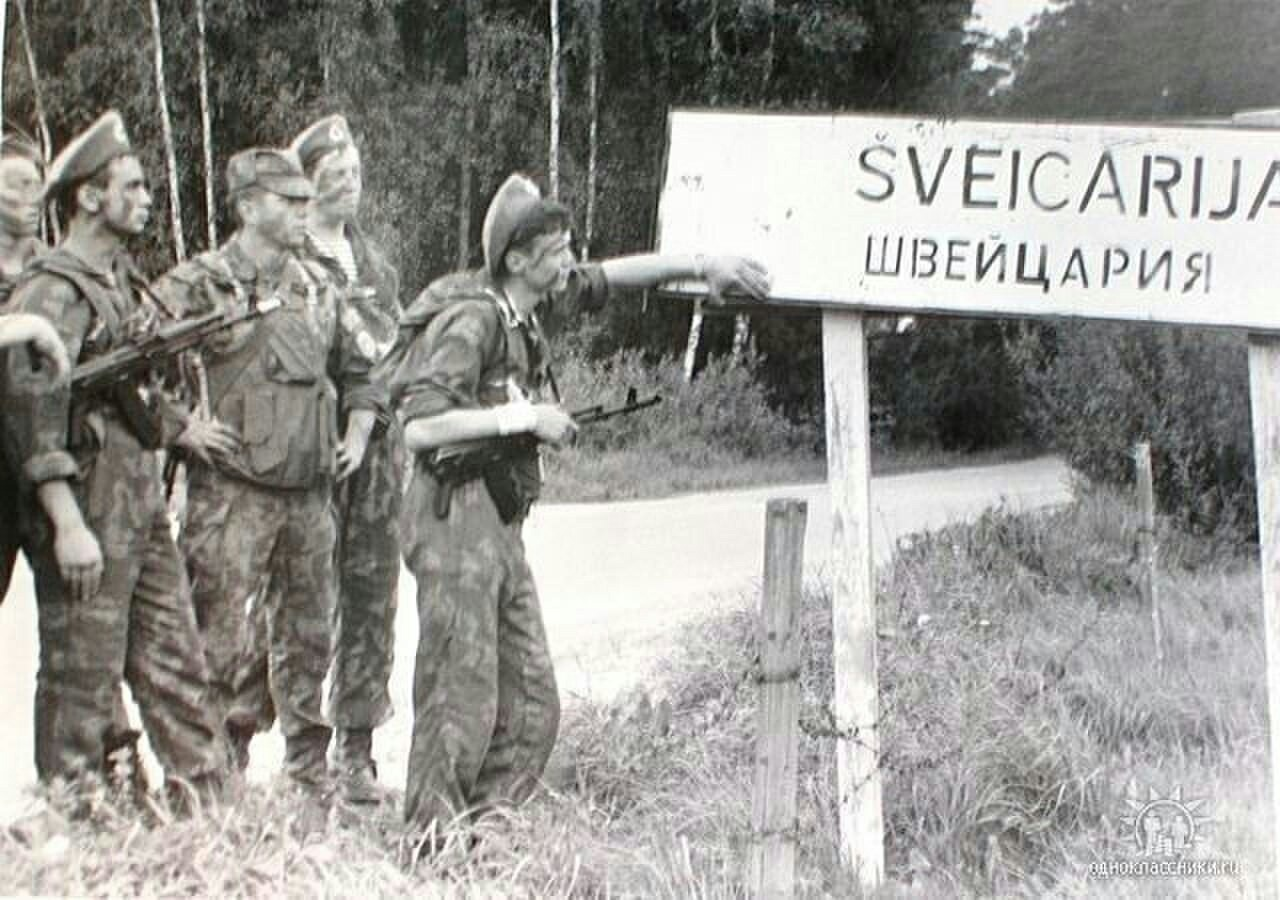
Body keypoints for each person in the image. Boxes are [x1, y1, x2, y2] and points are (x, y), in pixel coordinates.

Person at [389, 173, 770, 839]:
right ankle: (429, 849)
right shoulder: (474, 319)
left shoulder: (527, 306)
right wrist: (524, 418)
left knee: (535, 703)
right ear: (517, 260)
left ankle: (484, 840)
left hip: (498, 524)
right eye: (558, 251)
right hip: (453, 519)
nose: (570, 263)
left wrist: (703, 263)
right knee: (460, 698)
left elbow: (614, 276)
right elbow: (421, 428)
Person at [0, 111, 225, 800]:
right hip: (86, 508)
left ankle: (212, 808)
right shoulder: (52, 289)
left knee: (176, 661)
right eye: (131, 186)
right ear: (90, 197)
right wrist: (66, 523)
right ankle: (75, 814)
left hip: (136, 503)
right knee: (81, 675)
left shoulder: (120, 283)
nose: (148, 197)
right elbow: (29, 415)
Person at [150, 146, 385, 801]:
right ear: (249, 206)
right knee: (221, 639)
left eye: (304, 201)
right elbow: (124, 364)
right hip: (232, 497)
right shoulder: (200, 283)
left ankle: (309, 774)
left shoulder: (316, 285)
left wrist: (360, 430)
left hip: (309, 499)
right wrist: (178, 426)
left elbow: (362, 369)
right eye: (288, 201)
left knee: (309, 637)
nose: (301, 212)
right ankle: (213, 778)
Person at [289, 114, 402, 804]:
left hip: (378, 450)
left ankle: (355, 751)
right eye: (335, 177)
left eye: (356, 174)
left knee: (371, 598)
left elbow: (388, 353)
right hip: (310, 447)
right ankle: (303, 753)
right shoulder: (291, 258)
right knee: (305, 599)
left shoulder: (376, 260)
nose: (349, 186)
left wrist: (372, 424)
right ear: (307, 185)